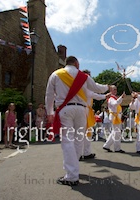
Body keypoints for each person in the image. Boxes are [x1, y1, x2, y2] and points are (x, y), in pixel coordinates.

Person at [45, 56, 109, 187]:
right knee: (79, 139)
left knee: (67, 141)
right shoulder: (83, 76)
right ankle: (74, 168)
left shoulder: (55, 74)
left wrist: (50, 112)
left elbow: (49, 95)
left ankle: (72, 175)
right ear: (76, 63)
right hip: (81, 110)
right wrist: (109, 86)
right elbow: (98, 88)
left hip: (65, 110)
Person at [102, 85, 126, 153]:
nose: (115, 91)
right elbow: (115, 104)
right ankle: (117, 148)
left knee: (115, 132)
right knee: (117, 132)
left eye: (116, 89)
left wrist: (121, 98)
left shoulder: (114, 98)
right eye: (114, 89)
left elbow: (117, 103)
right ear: (110, 91)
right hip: (114, 116)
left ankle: (106, 145)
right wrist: (121, 97)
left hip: (116, 116)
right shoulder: (111, 98)